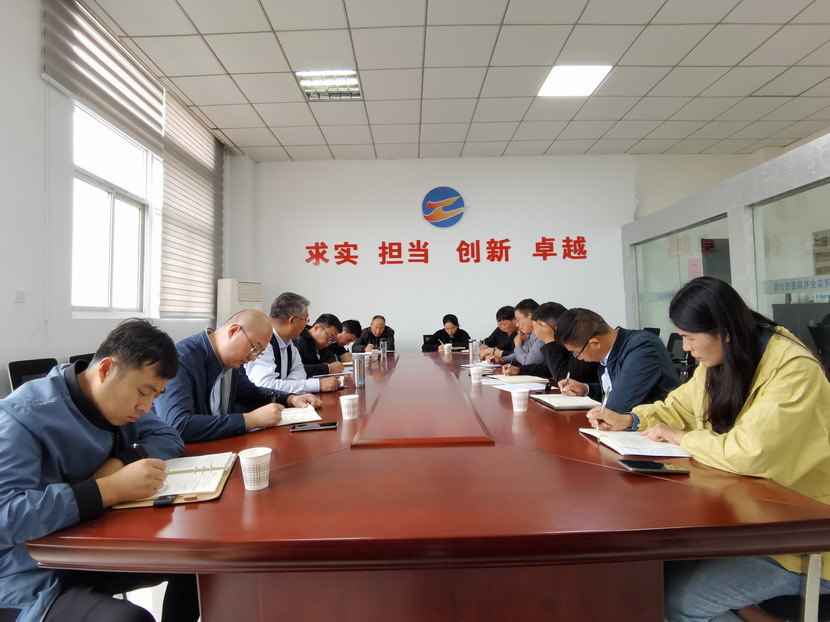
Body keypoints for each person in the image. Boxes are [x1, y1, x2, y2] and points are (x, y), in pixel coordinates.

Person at [584, 277, 830, 622]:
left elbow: (749, 454)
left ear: (724, 332)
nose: (685, 348)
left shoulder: (792, 370)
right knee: (652, 572)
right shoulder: (724, 359)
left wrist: (682, 438)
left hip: (802, 532)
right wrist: (631, 420)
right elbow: (680, 408)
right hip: (747, 514)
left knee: (679, 603)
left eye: (689, 337)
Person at [0, 319, 199, 622]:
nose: (146, 407)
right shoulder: (22, 417)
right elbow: (5, 517)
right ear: (106, 369)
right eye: (143, 392)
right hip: (27, 574)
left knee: (197, 564)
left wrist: (120, 463)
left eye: (156, 396)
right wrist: (108, 489)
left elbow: (169, 437)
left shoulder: (117, 406)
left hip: (86, 548)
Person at [152, 309, 320, 443]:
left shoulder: (230, 361)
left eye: (259, 353)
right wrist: (249, 420)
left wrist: (290, 398)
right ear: (233, 331)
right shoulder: (181, 359)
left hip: (221, 446)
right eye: (254, 348)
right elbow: (178, 425)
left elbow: (250, 393)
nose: (253, 358)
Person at [556, 307, 679, 413]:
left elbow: (621, 403)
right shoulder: (611, 351)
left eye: (576, 353)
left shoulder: (642, 347)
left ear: (595, 343)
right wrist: (586, 389)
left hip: (658, 426)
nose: (579, 358)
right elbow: (614, 390)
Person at [245, 293, 340, 394]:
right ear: (292, 321)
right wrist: (317, 385)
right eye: (306, 319)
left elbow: (300, 370)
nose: (307, 324)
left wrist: (290, 383)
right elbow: (265, 386)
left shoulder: (289, 343)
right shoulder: (263, 342)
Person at [501, 302, 598, 383]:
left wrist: (549, 341)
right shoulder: (560, 341)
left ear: (548, 327)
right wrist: (520, 370)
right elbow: (549, 367)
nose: (537, 334)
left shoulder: (580, 341)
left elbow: (564, 378)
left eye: (539, 328)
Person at [490, 299, 545, 367]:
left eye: (518, 320)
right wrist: (502, 360)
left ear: (530, 317)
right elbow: (521, 355)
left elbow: (528, 362)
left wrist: (518, 346)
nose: (517, 325)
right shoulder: (530, 334)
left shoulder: (542, 336)